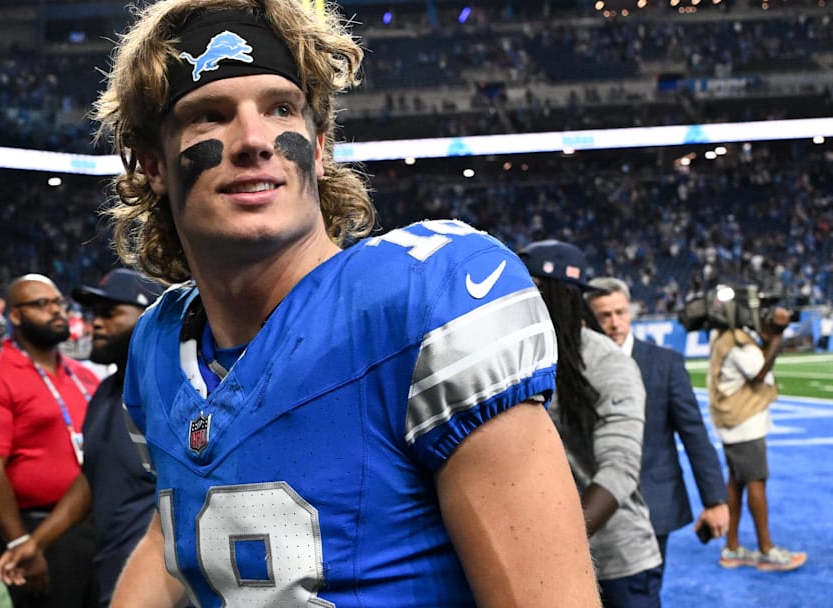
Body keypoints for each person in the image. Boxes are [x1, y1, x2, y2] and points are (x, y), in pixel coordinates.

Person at [96, 1, 599, 606]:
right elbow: (175, 524)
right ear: (152, 163)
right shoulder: (158, 345)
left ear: (320, 145)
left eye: (281, 108)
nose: (254, 140)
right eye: (209, 116)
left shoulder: (424, 296)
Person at [0, 269, 161, 606]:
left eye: (110, 313)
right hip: (110, 565)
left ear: (151, 318)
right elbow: (91, 476)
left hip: (160, 582)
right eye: (94, 315)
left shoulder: (175, 393)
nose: (95, 324)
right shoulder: (106, 392)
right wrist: (35, 542)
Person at [520, 241, 663, 607]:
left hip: (613, 561)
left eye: (533, 289)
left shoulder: (608, 363)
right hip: (539, 555)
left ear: (565, 295)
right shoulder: (515, 360)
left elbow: (619, 471)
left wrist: (557, 546)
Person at [0, 274, 101, 608]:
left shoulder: (83, 376)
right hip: (40, 529)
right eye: (41, 304)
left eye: (58, 303)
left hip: (98, 522)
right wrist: (21, 541)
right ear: (15, 316)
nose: (56, 311)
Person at [586, 277, 729, 564]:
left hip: (654, 501)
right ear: (589, 319)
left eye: (620, 313)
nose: (615, 323)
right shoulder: (575, 364)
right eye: (605, 315)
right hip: (591, 501)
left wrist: (715, 500)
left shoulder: (666, 363)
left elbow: (693, 433)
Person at [707, 300, 807, 572]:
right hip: (743, 424)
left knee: (737, 484)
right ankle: (766, 549)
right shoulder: (737, 343)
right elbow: (760, 373)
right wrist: (777, 336)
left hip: (733, 423)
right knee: (756, 482)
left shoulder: (725, 336)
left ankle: (732, 546)